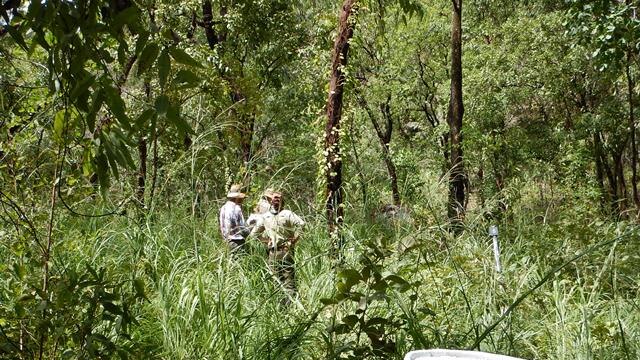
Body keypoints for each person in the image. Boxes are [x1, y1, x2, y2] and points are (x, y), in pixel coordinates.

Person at [252, 191, 305, 304]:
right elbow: (301, 224)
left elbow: (254, 234)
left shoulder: (274, 215)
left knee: (281, 281)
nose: (275, 201)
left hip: (278, 252)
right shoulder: (282, 214)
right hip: (283, 251)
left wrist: (266, 241)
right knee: (285, 281)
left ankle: (285, 307)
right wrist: (294, 240)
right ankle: (287, 307)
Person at [219, 184, 250, 252]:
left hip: (226, 241)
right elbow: (242, 228)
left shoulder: (223, 207)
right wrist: (250, 231)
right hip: (237, 242)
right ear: (237, 197)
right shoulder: (236, 208)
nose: (242, 200)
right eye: (242, 198)